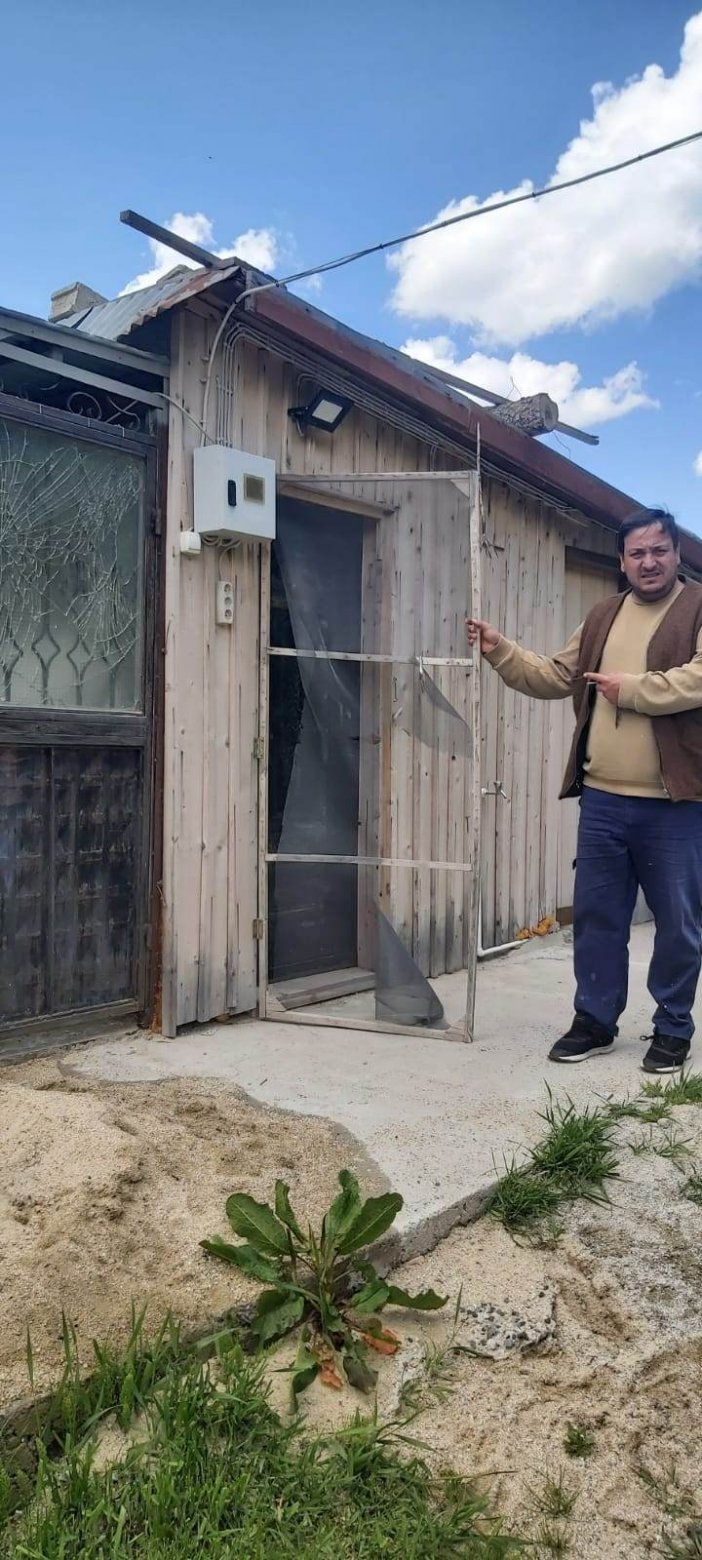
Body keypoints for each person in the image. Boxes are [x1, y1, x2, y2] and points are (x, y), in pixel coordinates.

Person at [467, 507, 702, 1074]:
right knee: (597, 919)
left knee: (678, 924)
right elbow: (556, 675)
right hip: (602, 801)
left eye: (659, 550)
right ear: (622, 561)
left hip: (676, 805)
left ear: (678, 555)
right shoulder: (603, 615)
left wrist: (633, 690)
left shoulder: (698, 607)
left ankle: (672, 1028)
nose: (649, 562)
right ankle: (595, 1021)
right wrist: (500, 649)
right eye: (637, 553)